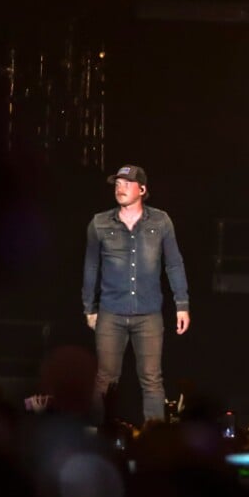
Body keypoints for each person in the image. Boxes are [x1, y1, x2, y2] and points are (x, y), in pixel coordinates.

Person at [82, 164, 190, 426]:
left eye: (127, 184)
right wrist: (89, 307)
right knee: (105, 378)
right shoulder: (100, 223)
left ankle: (155, 438)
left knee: (152, 379)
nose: (120, 188)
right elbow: (91, 266)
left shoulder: (160, 221)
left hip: (148, 313)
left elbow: (174, 263)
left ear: (142, 189)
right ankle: (97, 435)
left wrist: (182, 304)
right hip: (111, 311)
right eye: (117, 184)